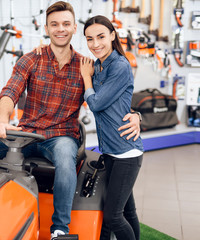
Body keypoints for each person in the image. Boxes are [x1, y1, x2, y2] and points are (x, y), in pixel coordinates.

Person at [0, 2, 140, 239]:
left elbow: (114, 95)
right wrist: (1, 119)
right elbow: (10, 91)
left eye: (65, 24)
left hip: (61, 136)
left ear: (73, 28)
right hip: (27, 133)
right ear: (47, 28)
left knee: (64, 158)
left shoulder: (86, 67)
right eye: (54, 24)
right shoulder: (31, 59)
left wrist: (135, 115)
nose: (60, 29)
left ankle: (59, 229)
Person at [80, 15, 144, 240]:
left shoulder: (119, 65)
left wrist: (87, 80)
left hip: (126, 151)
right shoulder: (96, 64)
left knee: (113, 216)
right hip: (111, 151)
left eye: (100, 37)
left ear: (112, 36)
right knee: (127, 210)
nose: (95, 44)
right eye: (89, 39)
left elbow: (96, 103)